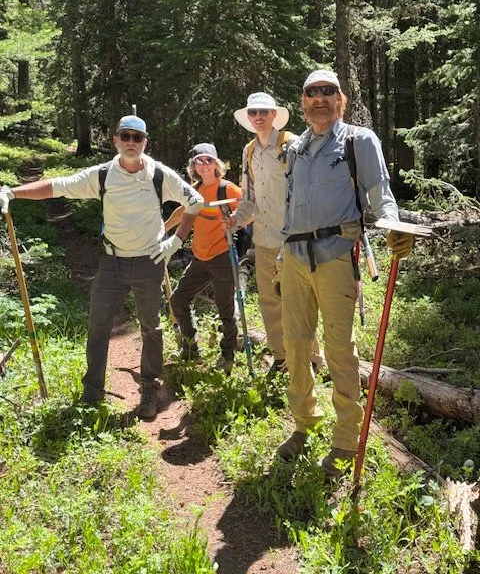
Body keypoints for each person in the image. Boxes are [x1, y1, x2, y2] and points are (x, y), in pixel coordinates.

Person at [0, 115, 203, 419]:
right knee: (98, 326)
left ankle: (149, 389)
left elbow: (195, 203)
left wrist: (175, 242)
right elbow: (59, 186)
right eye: (126, 136)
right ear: (116, 140)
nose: (132, 142)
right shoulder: (104, 175)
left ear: (145, 142)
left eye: (138, 137)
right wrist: (13, 192)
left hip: (149, 261)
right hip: (112, 262)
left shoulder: (160, 176)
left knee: (151, 326)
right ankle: (92, 392)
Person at [277, 69, 414, 476]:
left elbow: (381, 194)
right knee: (297, 346)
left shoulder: (358, 140)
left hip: (337, 255)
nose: (320, 98)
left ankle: (345, 441)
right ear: (302, 103)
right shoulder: (296, 150)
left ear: (342, 100)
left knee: (339, 349)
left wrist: (393, 228)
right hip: (295, 258)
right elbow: (289, 207)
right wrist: (281, 256)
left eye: (328, 92)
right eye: (311, 92)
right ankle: (304, 423)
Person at [227, 92, 323, 375]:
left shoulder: (292, 144)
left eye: (263, 112)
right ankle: (281, 358)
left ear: (273, 116)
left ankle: (310, 360)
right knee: (269, 301)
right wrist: (235, 220)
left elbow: (309, 190)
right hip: (264, 239)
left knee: (299, 301)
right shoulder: (249, 151)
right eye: (253, 113)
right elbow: (249, 197)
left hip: (294, 240)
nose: (258, 117)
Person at [165, 143, 242, 375]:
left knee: (225, 309)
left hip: (222, 257)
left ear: (217, 164)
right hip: (199, 257)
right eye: (199, 161)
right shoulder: (194, 188)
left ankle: (227, 357)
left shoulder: (228, 190)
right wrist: (165, 227)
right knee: (178, 299)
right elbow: (183, 211)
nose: (204, 165)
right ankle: (190, 349)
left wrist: (235, 220)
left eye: (208, 160)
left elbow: (250, 211)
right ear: (194, 166)